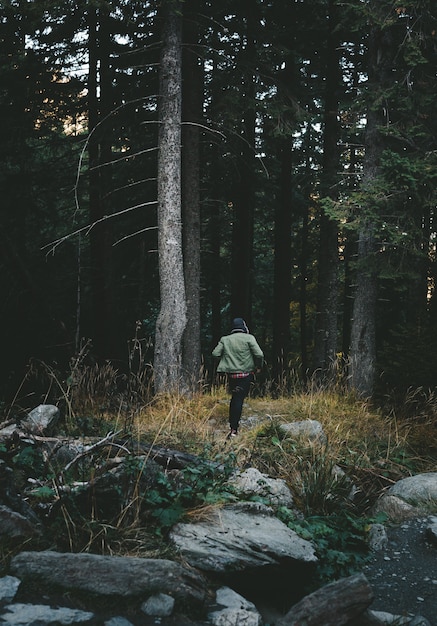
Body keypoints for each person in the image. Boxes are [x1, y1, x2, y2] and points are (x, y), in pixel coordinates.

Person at [212, 317, 264, 438]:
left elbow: (215, 354)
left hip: (231, 375)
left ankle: (233, 428)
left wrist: (226, 361)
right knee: (238, 399)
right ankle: (234, 430)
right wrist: (258, 366)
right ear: (244, 327)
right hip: (245, 375)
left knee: (235, 398)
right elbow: (259, 354)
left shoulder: (225, 339)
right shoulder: (249, 338)